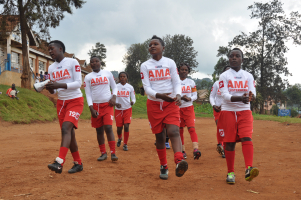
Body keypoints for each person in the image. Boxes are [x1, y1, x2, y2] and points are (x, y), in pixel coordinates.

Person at [140, 35, 188, 180]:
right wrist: (160, 96)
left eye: (156, 44)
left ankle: (179, 160)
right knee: (160, 136)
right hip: (154, 103)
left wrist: (178, 95)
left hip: (171, 102)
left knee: (173, 130)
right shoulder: (145, 65)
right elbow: (147, 88)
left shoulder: (170, 63)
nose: (152, 46)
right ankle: (163, 166)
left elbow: (176, 82)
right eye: (150, 45)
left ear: (163, 48)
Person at [218, 48, 259, 184]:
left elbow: (252, 91)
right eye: (231, 56)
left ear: (242, 59)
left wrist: (251, 97)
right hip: (228, 111)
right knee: (229, 143)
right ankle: (230, 172)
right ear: (229, 59)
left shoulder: (248, 75)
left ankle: (248, 169)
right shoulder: (224, 76)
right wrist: (240, 98)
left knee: (246, 137)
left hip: (244, 111)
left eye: (237, 56)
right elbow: (224, 95)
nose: (234, 58)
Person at [45, 40, 84, 174]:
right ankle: (78, 163)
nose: (50, 52)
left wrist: (58, 85)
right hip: (61, 103)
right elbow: (54, 92)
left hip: (75, 101)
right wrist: (50, 89)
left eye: (52, 49)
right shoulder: (51, 68)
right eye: (48, 50)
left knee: (66, 128)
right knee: (70, 133)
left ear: (60, 48)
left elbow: (78, 83)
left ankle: (59, 162)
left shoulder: (73, 62)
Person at [84, 56, 118, 162]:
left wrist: (114, 97)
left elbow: (115, 87)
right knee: (99, 130)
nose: (94, 63)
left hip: (108, 105)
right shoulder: (88, 77)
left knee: (108, 128)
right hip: (96, 107)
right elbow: (88, 95)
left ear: (100, 62)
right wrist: (91, 108)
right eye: (92, 62)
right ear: (90, 64)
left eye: (96, 61)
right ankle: (103, 153)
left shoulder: (107, 73)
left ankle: (113, 153)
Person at [178, 64, 201, 160]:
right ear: (178, 70)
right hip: (177, 109)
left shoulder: (191, 82)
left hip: (188, 108)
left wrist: (190, 98)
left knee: (191, 129)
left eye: (186, 70)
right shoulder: (175, 82)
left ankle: (196, 149)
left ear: (188, 71)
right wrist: (180, 98)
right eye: (182, 69)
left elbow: (195, 95)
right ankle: (182, 151)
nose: (184, 71)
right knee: (180, 130)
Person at [209, 66, 231, 158]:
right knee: (220, 127)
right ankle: (221, 146)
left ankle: (224, 146)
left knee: (226, 128)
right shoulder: (217, 84)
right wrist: (214, 105)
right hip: (217, 110)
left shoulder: (233, 85)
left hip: (228, 109)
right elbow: (211, 96)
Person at [115, 72, 136, 151]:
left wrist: (132, 102)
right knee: (119, 128)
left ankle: (125, 144)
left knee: (126, 126)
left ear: (127, 78)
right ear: (119, 78)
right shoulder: (116, 87)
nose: (122, 78)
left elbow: (133, 98)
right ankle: (120, 138)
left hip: (127, 109)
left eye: (124, 76)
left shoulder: (130, 87)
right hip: (118, 110)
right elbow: (112, 97)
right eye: (121, 76)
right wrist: (115, 104)